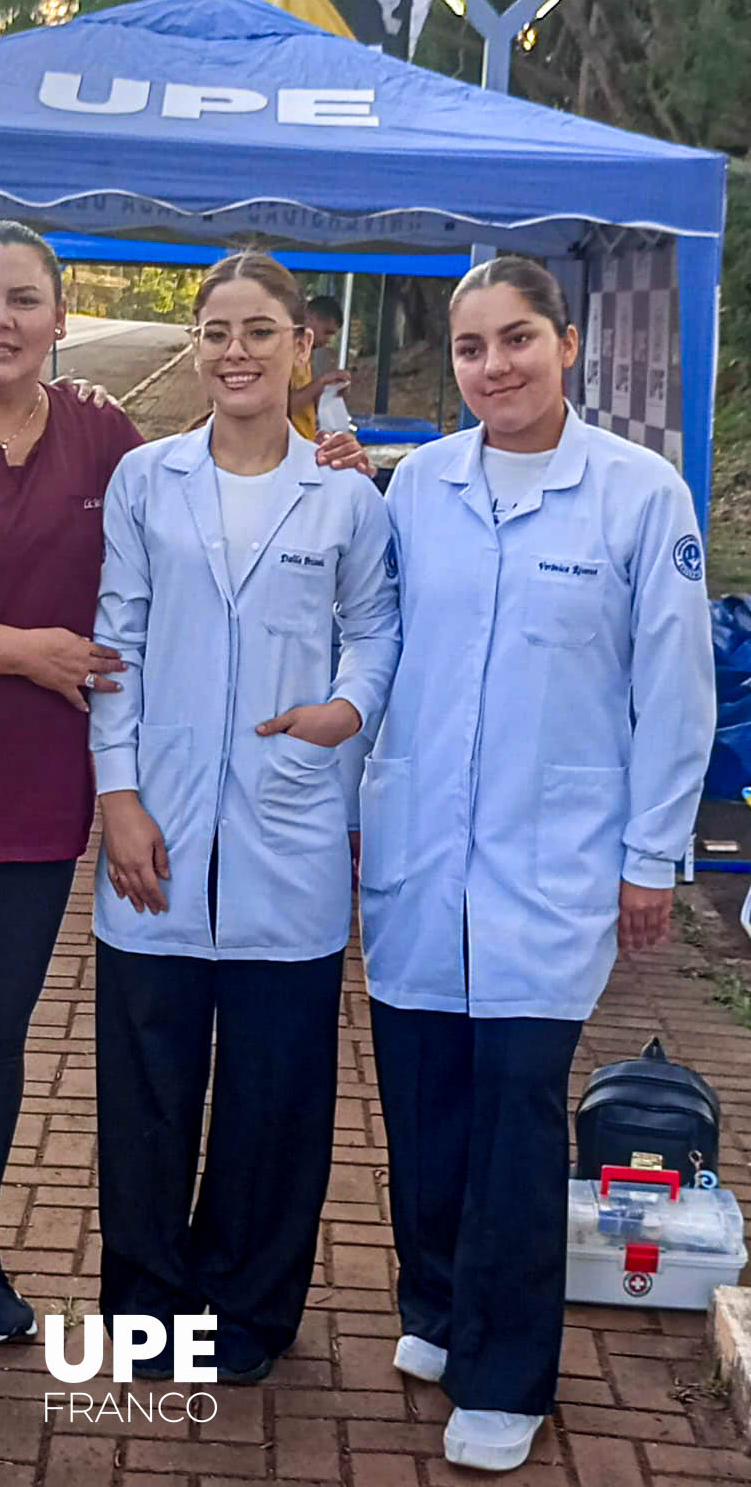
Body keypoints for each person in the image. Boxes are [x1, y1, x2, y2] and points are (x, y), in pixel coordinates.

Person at [0, 224, 371, 1361]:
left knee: (1, 1034)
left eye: (23, 298)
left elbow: (331, 588)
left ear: (61, 318)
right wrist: (48, 687)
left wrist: (337, 468)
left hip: (33, 798)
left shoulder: (117, 442)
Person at [358, 255, 716, 1473]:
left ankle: (505, 1374)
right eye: (471, 348)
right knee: (421, 1092)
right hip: (419, 849)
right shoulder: (420, 486)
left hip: (554, 857)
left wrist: (650, 856)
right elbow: (381, 642)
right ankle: (439, 1303)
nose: (494, 366)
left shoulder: (636, 494)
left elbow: (674, 692)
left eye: (517, 339)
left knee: (514, 1108)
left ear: (565, 344)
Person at [89, 252, 400, 1385]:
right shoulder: (146, 481)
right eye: (216, 330)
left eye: (259, 330)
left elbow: (377, 628)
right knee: (147, 1095)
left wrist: (345, 708)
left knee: (275, 1098)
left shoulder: (345, 494)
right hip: (158, 826)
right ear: (196, 344)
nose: (235, 351)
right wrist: (115, 795)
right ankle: (147, 1307)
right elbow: (110, 641)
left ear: (301, 345)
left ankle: (248, 1311)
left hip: (288, 825)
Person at [288, 293, 350, 439]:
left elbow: (306, 403)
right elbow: (285, 406)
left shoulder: (306, 356)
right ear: (309, 317)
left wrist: (331, 393)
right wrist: (322, 382)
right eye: (326, 332)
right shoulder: (285, 353)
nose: (327, 340)